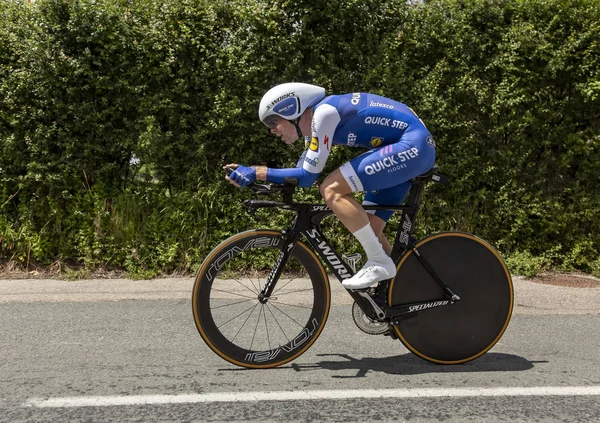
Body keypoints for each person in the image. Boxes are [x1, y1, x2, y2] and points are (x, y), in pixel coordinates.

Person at [224, 82, 436, 289]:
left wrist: (255, 172)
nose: (272, 130)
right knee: (370, 229)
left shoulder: (324, 113)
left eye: (272, 121)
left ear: (291, 110)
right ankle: (406, 293)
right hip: (407, 146)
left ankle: (379, 262)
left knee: (331, 189)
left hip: (412, 145)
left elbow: (307, 177)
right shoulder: (316, 125)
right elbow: (301, 172)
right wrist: (257, 176)